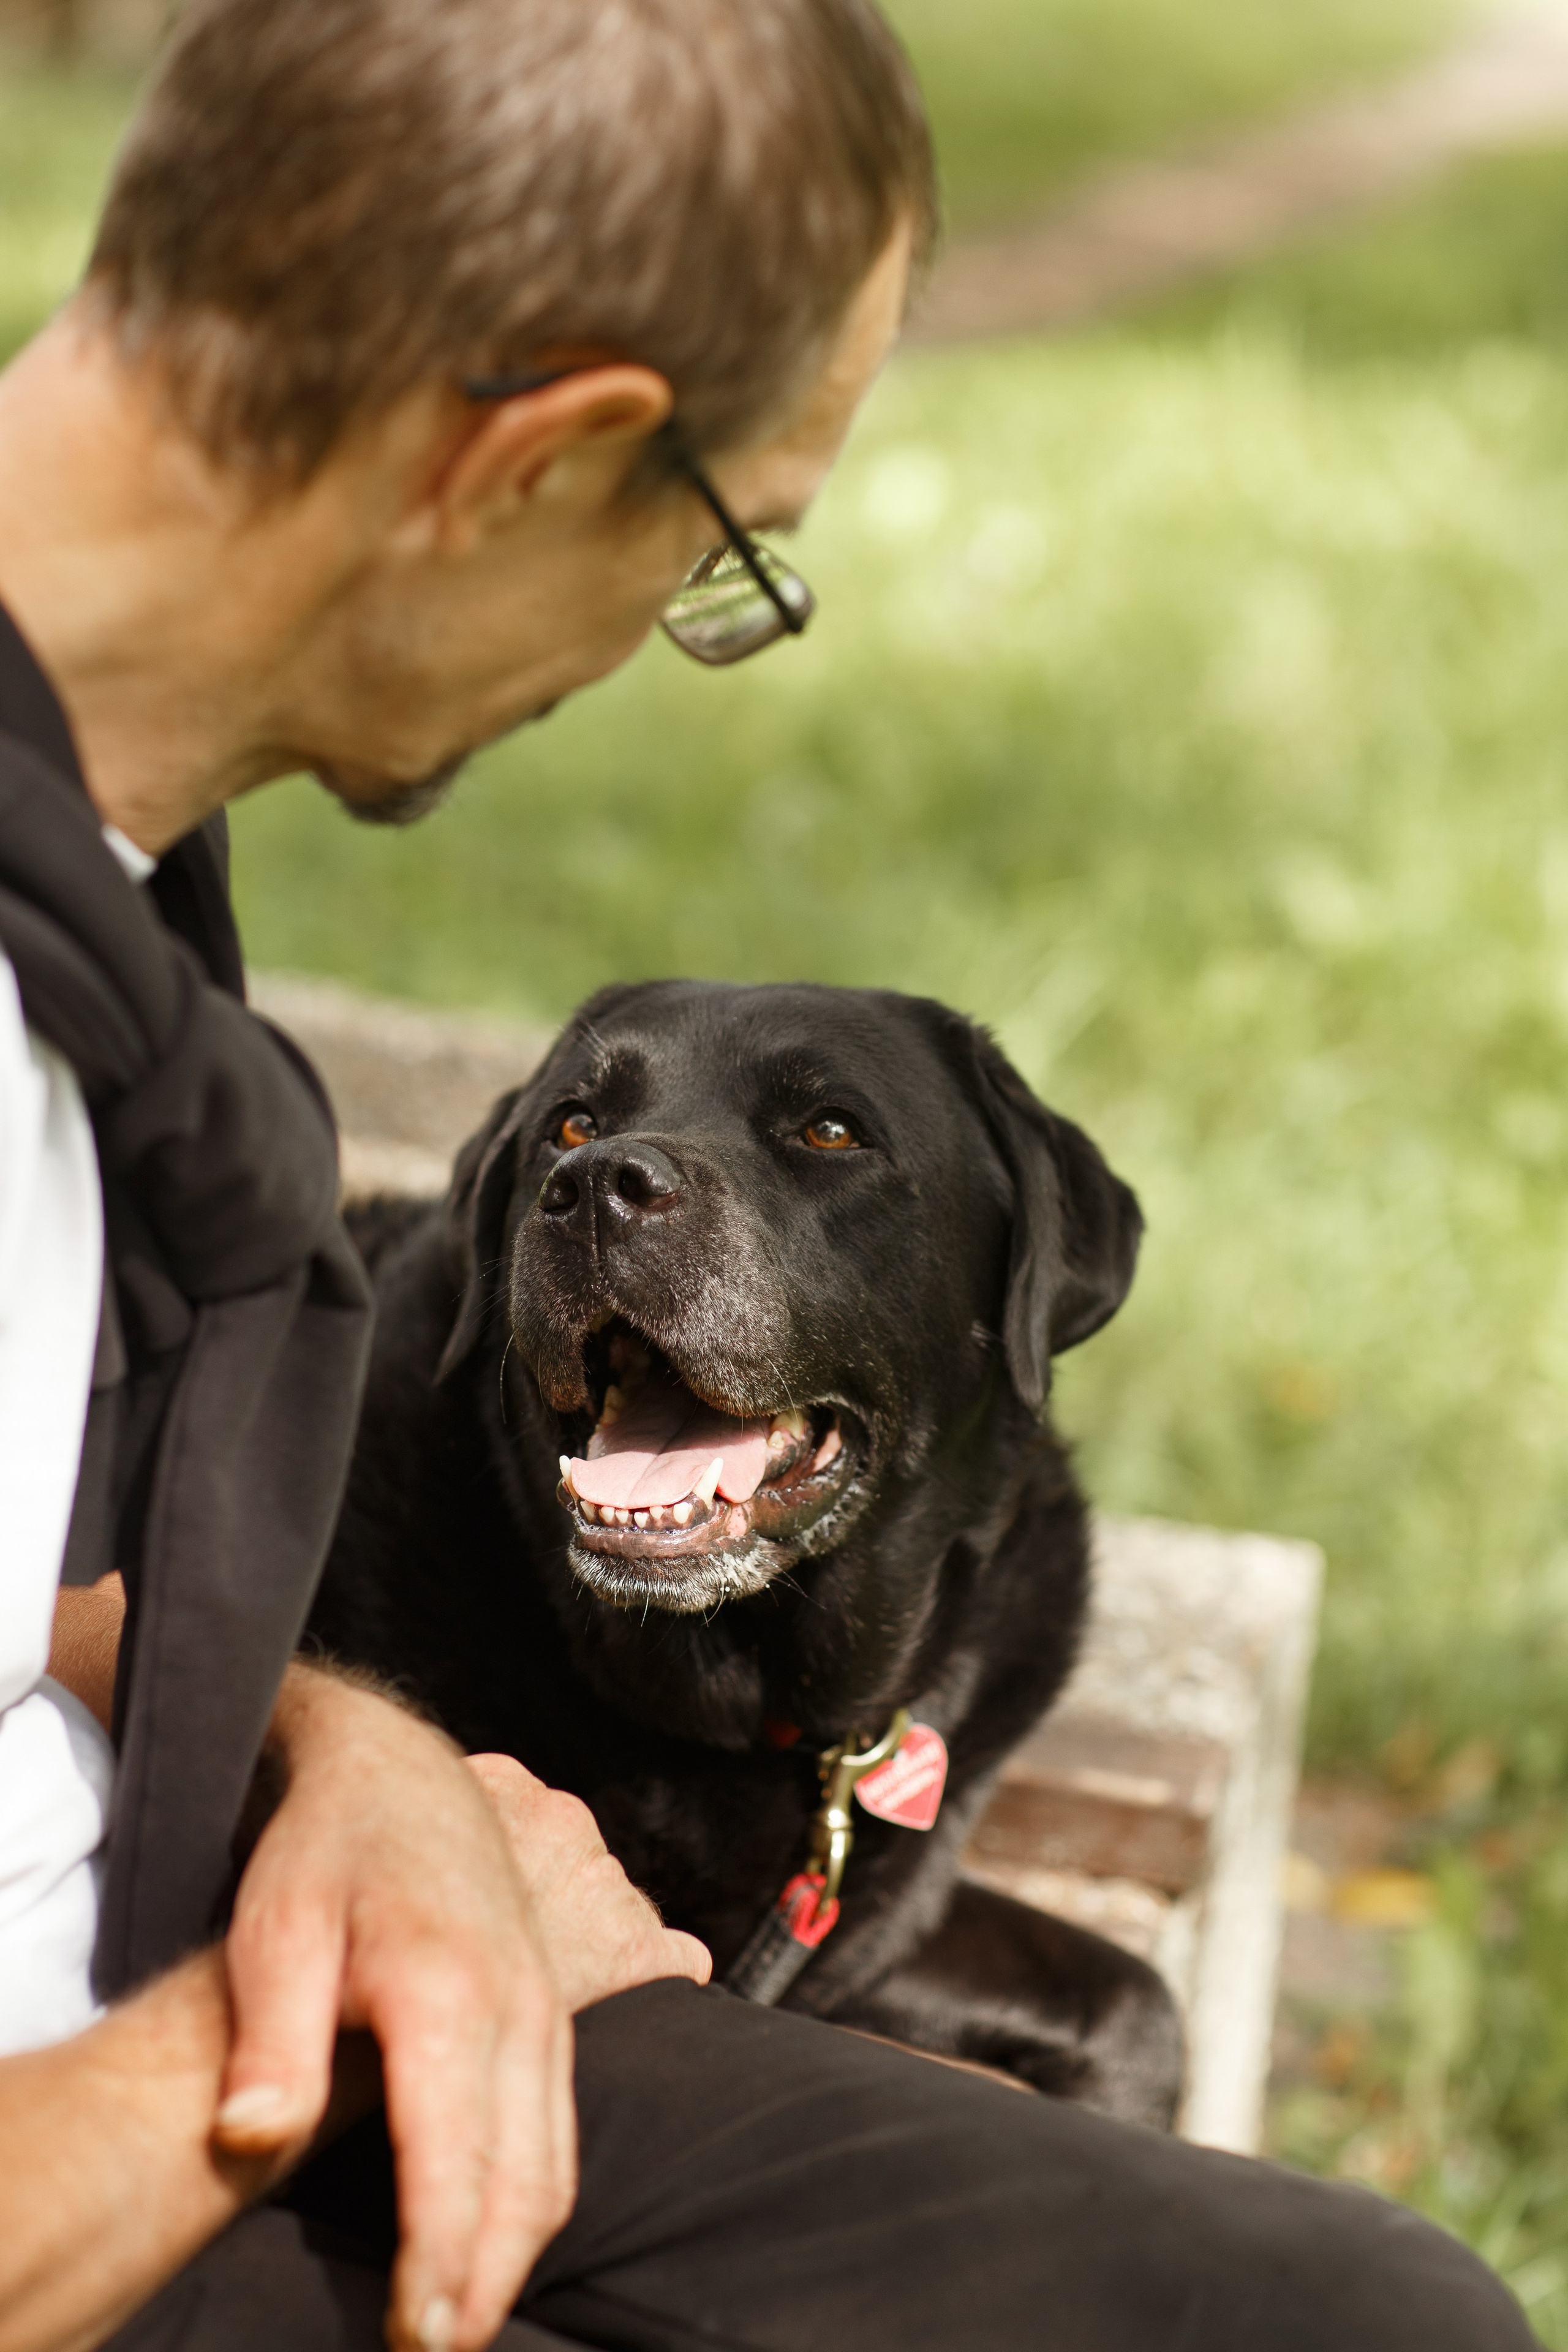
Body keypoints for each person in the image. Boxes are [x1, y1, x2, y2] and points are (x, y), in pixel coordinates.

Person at [0, 1, 1537, 2347]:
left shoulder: (98, 867)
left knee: (1368, 2320)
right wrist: (304, 2003)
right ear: (536, 464)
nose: (665, 646)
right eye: (726, 554)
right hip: (127, 2145)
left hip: (280, 1947)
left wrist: (364, 1758)